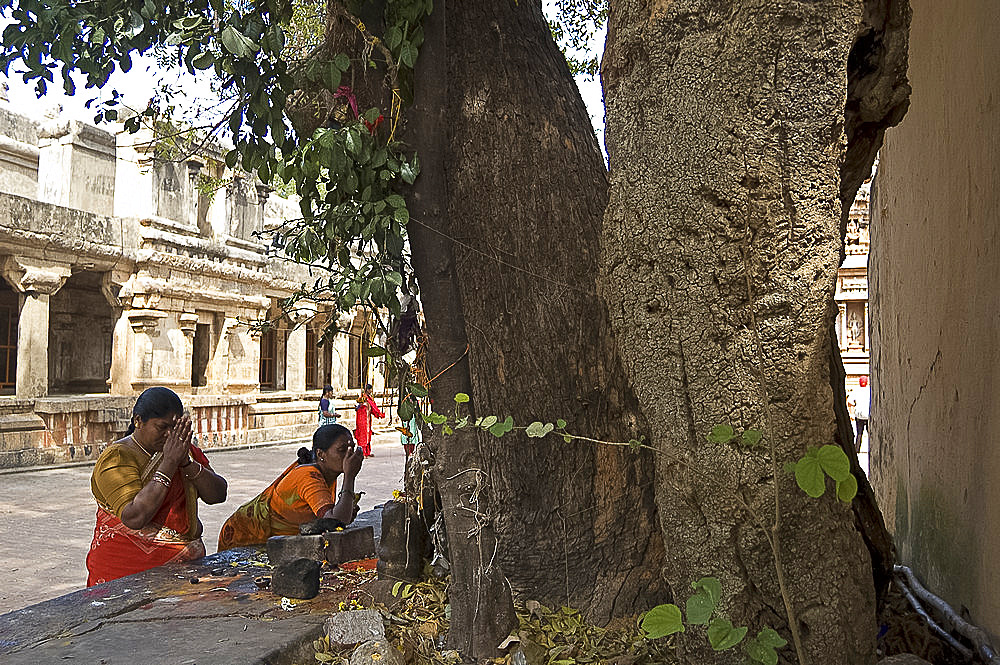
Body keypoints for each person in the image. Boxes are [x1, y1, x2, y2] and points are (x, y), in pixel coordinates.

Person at [86, 387, 228, 586]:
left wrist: (186, 462)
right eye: (161, 427)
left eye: (174, 427)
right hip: (125, 571)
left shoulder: (182, 451)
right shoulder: (118, 457)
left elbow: (218, 494)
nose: (169, 434)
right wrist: (169, 463)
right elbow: (134, 517)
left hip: (184, 568)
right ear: (138, 421)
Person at [217, 424, 364, 550]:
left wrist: (345, 512)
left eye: (352, 448)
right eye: (342, 449)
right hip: (244, 535)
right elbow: (335, 521)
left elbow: (328, 520)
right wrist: (349, 477)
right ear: (321, 454)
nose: (349, 454)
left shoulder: (328, 474)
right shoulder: (309, 476)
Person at [354, 383, 384, 458]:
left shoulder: (369, 398)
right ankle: (363, 452)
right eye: (370, 389)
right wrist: (379, 413)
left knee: (368, 434)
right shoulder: (363, 398)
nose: (371, 391)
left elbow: (373, 408)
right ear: (367, 390)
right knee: (362, 435)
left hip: (367, 419)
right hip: (362, 419)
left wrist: (378, 414)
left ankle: (367, 451)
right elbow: (372, 407)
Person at [848, 375, 871, 453]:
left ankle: (857, 450)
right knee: (870, 433)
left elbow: (850, 402)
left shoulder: (856, 391)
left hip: (859, 415)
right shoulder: (870, 390)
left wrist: (851, 413)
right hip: (868, 415)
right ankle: (871, 448)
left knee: (859, 433)